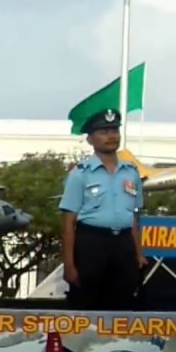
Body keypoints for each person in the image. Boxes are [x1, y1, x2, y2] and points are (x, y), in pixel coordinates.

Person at [59, 108, 147, 311]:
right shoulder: (80, 174)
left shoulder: (131, 172)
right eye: (104, 132)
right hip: (92, 243)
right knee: (87, 305)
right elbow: (68, 222)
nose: (111, 136)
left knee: (123, 306)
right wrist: (69, 265)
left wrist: (138, 253)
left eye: (114, 131)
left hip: (123, 244)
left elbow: (133, 216)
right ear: (90, 140)